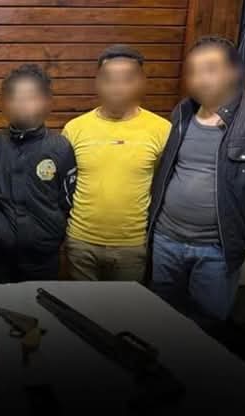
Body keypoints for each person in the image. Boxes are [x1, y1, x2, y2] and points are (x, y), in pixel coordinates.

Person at [149, 36, 245, 322]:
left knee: (206, 328)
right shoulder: (183, 111)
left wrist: (242, 225)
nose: (200, 79)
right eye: (194, 71)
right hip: (166, 240)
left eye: (210, 69)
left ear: (233, 72)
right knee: (159, 319)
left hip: (216, 250)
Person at [62, 45, 171, 282]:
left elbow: (163, 184)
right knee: (79, 304)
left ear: (141, 82)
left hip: (132, 244)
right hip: (80, 241)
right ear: (97, 83)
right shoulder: (75, 128)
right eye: (109, 80)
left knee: (125, 305)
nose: (117, 87)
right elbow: (65, 186)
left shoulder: (162, 130)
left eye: (127, 80)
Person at [0, 64, 76, 282]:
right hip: (1, 252)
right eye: (16, 98)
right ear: (6, 103)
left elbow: (67, 200)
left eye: (31, 98)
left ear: (45, 102)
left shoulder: (60, 147)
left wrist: (51, 233)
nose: (23, 104)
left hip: (43, 254)